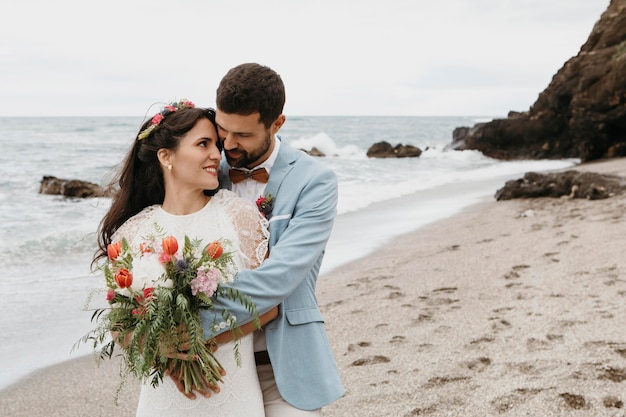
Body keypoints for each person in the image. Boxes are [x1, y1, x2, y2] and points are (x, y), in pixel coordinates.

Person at [94, 100, 276, 417]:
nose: (216, 155)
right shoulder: (133, 233)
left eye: (216, 145)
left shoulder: (239, 217)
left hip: (232, 395)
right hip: (164, 399)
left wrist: (199, 344)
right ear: (166, 156)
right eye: (203, 144)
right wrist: (162, 351)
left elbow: (268, 306)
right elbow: (119, 325)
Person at [199, 63, 345, 416]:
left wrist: (192, 323)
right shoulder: (204, 172)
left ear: (277, 123)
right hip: (213, 366)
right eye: (222, 129)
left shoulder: (315, 181)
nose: (228, 144)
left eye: (243, 135)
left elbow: (281, 275)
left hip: (281, 367)